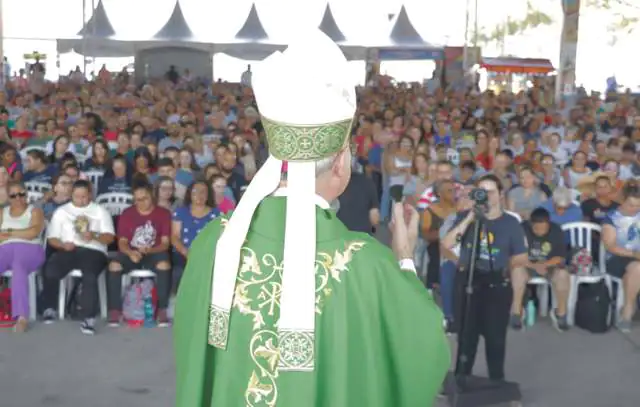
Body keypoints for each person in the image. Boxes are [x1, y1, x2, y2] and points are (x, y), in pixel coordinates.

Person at [174, 30, 449, 407]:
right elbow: (423, 344)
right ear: (339, 164)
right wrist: (403, 257)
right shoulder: (366, 264)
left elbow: (191, 350)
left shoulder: (214, 244)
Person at [442, 174, 528, 381]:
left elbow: (521, 257)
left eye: (490, 192)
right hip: (469, 279)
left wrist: (509, 268)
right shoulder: (467, 217)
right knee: (466, 338)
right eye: (482, 192)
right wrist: (471, 216)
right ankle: (462, 380)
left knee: (495, 340)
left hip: (496, 283)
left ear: (500, 194)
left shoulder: (511, 223)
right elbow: (446, 244)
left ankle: (497, 384)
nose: (486, 196)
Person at [40, 180, 115, 334]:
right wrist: (62, 245)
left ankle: (88, 318)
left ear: (90, 195)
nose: (81, 200)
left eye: (84, 196)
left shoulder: (100, 211)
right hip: (69, 249)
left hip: (94, 250)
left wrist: (94, 235)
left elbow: (109, 238)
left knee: (89, 275)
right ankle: (49, 308)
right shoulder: (62, 211)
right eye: (77, 196)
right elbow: (52, 238)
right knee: (51, 268)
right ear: (72, 195)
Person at [107, 182, 172, 327]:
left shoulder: (163, 214)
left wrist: (151, 250)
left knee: (164, 265)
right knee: (114, 266)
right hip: (131, 251)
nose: (141, 203)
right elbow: (122, 242)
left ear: (152, 197)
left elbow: (165, 243)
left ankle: (162, 309)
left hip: (154, 251)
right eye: (137, 199)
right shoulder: (127, 213)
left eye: (145, 198)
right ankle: (114, 310)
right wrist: (130, 253)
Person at [512, 207, 571, 331]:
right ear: (530, 224)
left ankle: (560, 313)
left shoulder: (556, 230)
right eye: (536, 229)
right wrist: (534, 266)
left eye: (543, 229)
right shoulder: (521, 229)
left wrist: (544, 264)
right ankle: (517, 313)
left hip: (549, 265)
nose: (540, 232)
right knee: (517, 272)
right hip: (527, 264)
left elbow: (560, 257)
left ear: (549, 224)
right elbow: (515, 256)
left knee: (563, 275)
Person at [0, 182, 45, 332]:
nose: (18, 198)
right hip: (5, 248)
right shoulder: (2, 212)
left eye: (21, 194)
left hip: (30, 248)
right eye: (13, 195)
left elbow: (33, 233)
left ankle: (21, 316)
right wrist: (22, 232)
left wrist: (9, 232)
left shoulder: (35, 211)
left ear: (26, 194)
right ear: (8, 197)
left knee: (19, 266)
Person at [602, 180, 640, 333]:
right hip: (618, 258)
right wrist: (634, 254)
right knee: (637, 268)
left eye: (638, 205)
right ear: (623, 201)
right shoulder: (611, 217)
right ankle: (627, 312)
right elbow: (610, 245)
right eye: (631, 205)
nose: (635, 209)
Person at [171, 181, 219, 287]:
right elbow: (174, 237)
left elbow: (217, 237)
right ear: (190, 194)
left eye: (203, 192)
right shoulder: (180, 212)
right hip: (183, 253)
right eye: (195, 191)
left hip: (207, 253)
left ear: (208, 195)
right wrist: (186, 252)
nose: (199, 195)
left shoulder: (216, 214)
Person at [336, 165, 380, 234]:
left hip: (341, 232)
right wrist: (373, 229)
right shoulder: (368, 183)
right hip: (364, 233)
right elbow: (374, 215)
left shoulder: (336, 184)